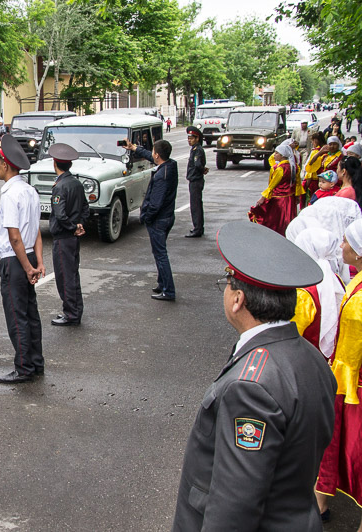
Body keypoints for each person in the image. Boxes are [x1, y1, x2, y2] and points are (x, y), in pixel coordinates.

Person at [171, 221, 336, 532]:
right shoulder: (310, 356)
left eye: (228, 283)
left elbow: (234, 505)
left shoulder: (250, 388)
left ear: (238, 300)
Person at [316, 219, 362, 529]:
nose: (341, 246)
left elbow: (349, 352)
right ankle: (319, 501)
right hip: (347, 377)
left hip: (351, 384)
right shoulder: (354, 282)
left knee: (350, 450)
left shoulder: (359, 300)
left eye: (347, 243)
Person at [0, 134, 45, 383]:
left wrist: (26, 268)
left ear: (5, 164)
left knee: (17, 318)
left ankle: (23, 368)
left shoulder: (9, 194)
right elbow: (35, 231)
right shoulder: (30, 191)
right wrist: (38, 262)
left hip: (15, 261)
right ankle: (36, 363)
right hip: (26, 258)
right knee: (31, 315)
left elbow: (14, 236)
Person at [126, 137, 178, 301]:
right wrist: (134, 149)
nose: (152, 154)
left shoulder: (161, 176)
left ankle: (168, 290)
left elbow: (155, 203)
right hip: (168, 216)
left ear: (157, 155)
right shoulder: (171, 165)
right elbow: (150, 155)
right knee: (159, 254)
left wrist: (146, 217)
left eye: (153, 152)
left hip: (159, 220)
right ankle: (162, 284)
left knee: (160, 255)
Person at [47, 143, 88, 326]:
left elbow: (60, 214)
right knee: (73, 275)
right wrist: (79, 224)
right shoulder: (77, 183)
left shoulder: (60, 186)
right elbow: (86, 208)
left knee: (64, 277)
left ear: (55, 163)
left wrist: (72, 227)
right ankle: (76, 310)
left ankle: (70, 313)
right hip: (73, 237)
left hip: (63, 238)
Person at [289, 227, 344, 357]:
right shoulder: (335, 280)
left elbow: (291, 335)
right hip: (330, 358)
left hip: (306, 358)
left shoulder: (304, 293)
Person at [248, 143, 302, 236]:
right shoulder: (294, 167)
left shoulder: (280, 169)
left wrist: (263, 198)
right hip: (290, 198)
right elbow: (297, 183)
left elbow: (272, 185)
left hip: (279, 199)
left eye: (276, 153)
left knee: (276, 220)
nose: (274, 155)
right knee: (288, 219)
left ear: (282, 156)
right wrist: (297, 196)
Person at [184, 126, 208, 238]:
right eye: (188, 138)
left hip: (195, 180)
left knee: (195, 206)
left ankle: (197, 229)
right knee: (196, 204)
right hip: (195, 180)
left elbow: (197, 164)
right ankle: (198, 227)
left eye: (191, 138)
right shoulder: (195, 149)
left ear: (197, 138)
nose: (189, 140)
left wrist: (202, 169)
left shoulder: (197, 150)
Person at [302, 132, 327, 208]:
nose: (312, 143)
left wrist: (306, 183)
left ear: (315, 140)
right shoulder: (326, 151)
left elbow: (311, 168)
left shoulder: (316, 152)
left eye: (312, 141)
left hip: (314, 180)